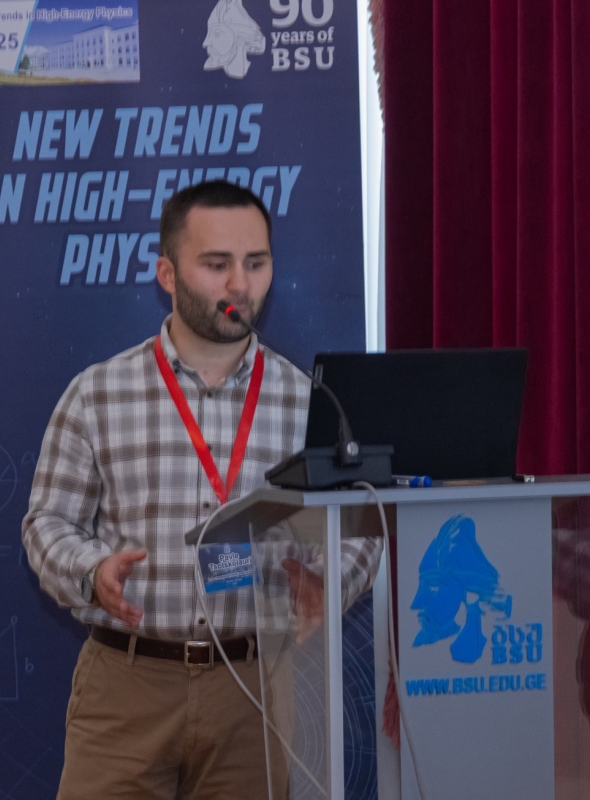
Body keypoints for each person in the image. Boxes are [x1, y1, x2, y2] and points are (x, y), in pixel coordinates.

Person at [22, 180, 380, 799]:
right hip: (127, 684)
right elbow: (47, 523)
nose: (240, 284)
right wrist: (91, 571)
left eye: (256, 262)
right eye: (216, 264)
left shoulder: (309, 402)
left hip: (255, 689)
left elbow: (363, 523)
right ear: (167, 272)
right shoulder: (98, 393)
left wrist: (330, 583)